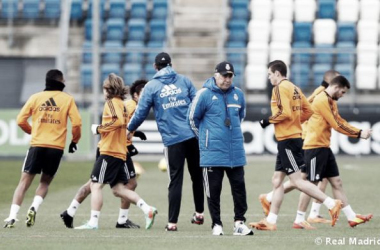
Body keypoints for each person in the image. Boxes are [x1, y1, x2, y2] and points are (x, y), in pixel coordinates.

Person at [249, 60, 342, 231]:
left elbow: (283, 112)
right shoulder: (295, 88)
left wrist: (266, 121)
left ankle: (331, 203)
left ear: (277, 73)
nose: (269, 77)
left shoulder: (279, 88)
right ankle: (271, 220)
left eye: (270, 74)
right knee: (277, 180)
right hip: (290, 138)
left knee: (298, 181)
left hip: (288, 140)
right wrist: (295, 122)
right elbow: (308, 111)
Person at [127, 52, 204, 231]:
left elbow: (140, 113)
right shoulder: (184, 81)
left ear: (155, 67)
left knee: (175, 180)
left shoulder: (152, 86)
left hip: (173, 139)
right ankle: (199, 213)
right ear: (171, 64)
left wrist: (129, 129)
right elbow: (197, 104)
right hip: (193, 136)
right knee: (197, 176)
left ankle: (172, 223)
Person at [60, 79, 147, 229]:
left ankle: (70, 212)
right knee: (112, 184)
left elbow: (123, 124)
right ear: (135, 95)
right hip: (114, 149)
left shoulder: (130, 105)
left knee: (95, 184)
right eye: (143, 93)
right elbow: (119, 123)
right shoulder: (129, 105)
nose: (147, 95)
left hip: (116, 148)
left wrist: (134, 134)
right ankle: (122, 219)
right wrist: (127, 142)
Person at [3, 69, 82, 228]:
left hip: (37, 145)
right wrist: (75, 140)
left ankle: (12, 216)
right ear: (60, 81)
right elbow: (77, 123)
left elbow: (20, 120)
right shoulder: (67, 100)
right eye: (64, 80)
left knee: (24, 182)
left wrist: (33, 131)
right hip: (56, 147)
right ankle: (34, 207)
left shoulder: (35, 97)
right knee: (45, 182)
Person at [294, 75, 373, 228]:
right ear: (336, 88)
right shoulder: (322, 100)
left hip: (324, 146)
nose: (343, 95)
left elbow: (340, 120)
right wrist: (358, 134)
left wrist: (359, 131)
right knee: (310, 183)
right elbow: (336, 125)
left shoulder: (331, 100)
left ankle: (352, 217)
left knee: (336, 182)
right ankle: (299, 219)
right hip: (314, 147)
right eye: (342, 92)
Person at [188, 61, 253, 236]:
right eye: (224, 75)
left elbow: (241, 116)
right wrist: (205, 139)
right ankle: (216, 224)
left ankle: (239, 223)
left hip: (235, 152)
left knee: (239, 189)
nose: (227, 79)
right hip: (212, 153)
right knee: (213, 191)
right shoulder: (204, 94)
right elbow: (192, 119)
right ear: (216, 75)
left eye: (230, 76)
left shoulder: (238, 94)